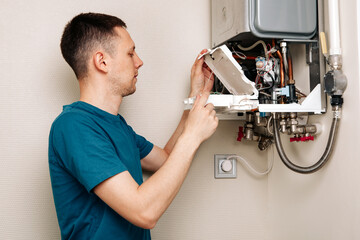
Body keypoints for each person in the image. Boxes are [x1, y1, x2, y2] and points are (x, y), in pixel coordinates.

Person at [48, 12, 218, 240]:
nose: (139, 61)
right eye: (130, 53)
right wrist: (193, 137)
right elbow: (144, 211)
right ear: (102, 61)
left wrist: (195, 97)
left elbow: (168, 159)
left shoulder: (118, 126)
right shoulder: (74, 126)